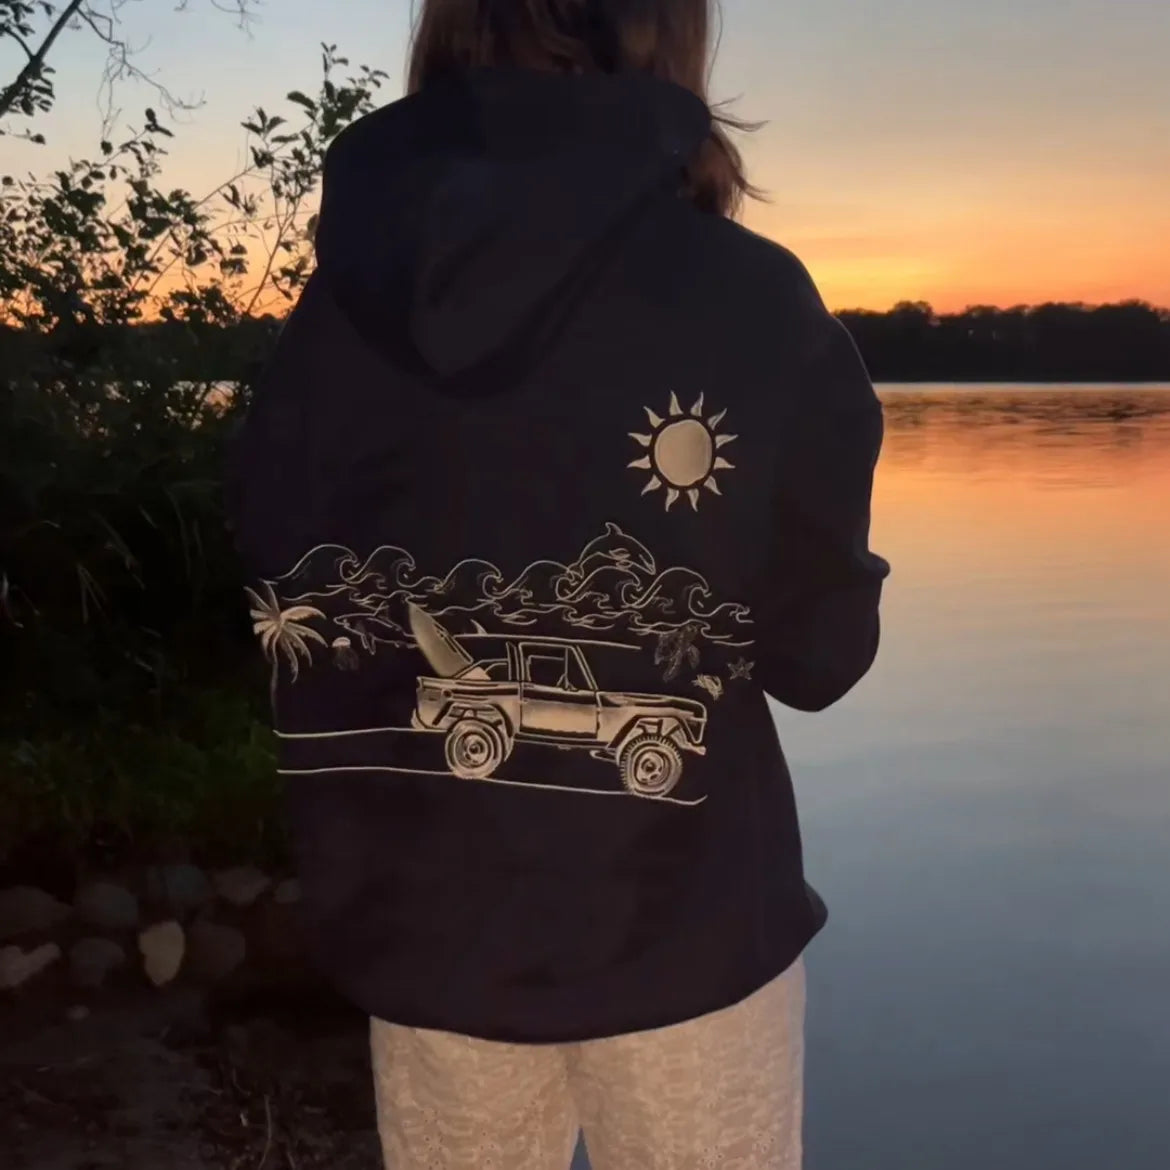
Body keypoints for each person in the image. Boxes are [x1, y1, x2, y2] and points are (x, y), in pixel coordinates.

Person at [227, 1, 890, 1166]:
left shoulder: (329, 321)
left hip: (427, 936)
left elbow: (294, 605)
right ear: (666, 32)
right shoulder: (748, 301)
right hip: (687, 937)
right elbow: (820, 656)